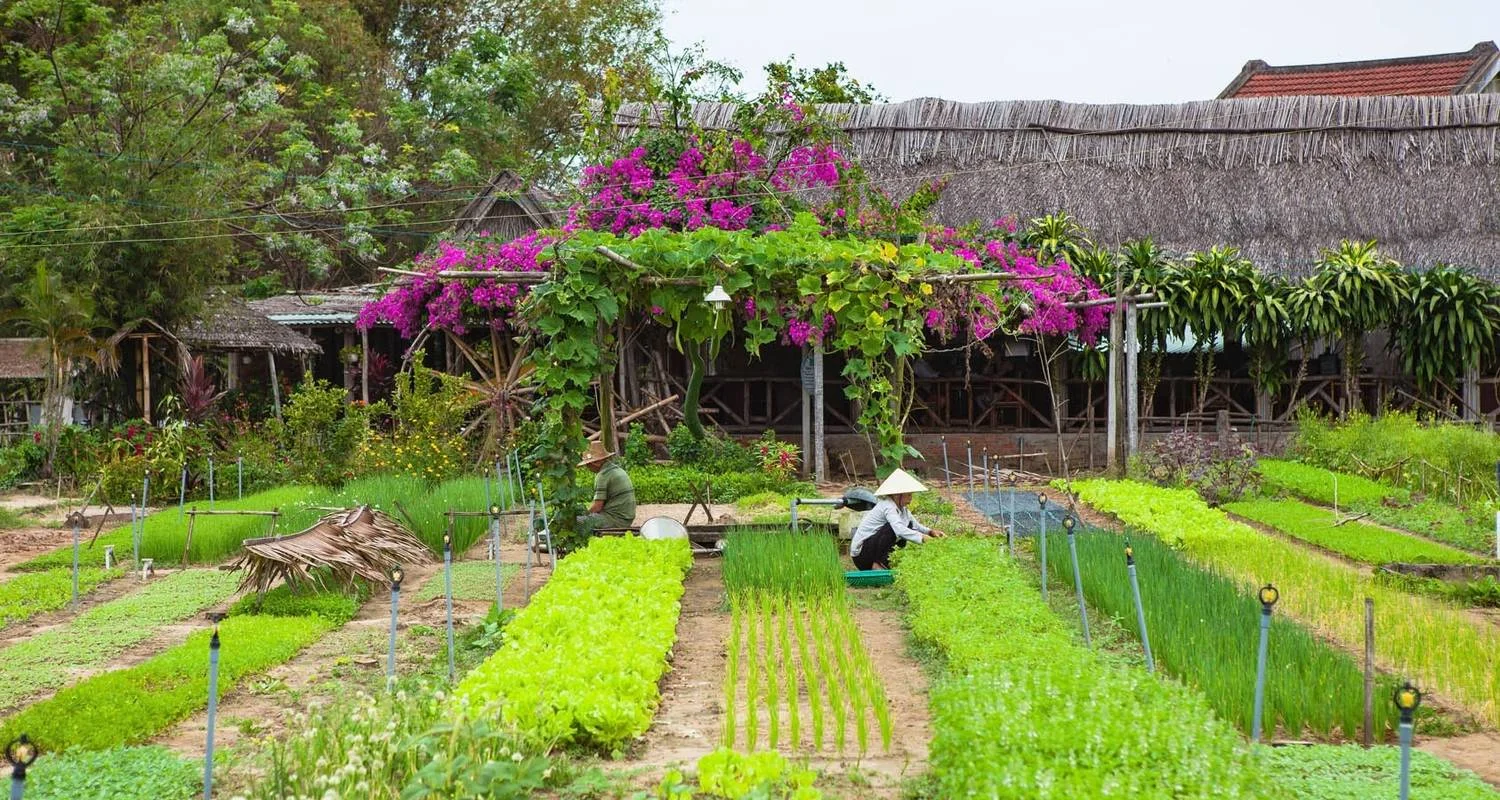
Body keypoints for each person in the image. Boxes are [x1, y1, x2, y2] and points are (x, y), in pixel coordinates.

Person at [850, 468, 944, 570]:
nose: (910, 499)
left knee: (908, 525)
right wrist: (922, 538)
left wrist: (930, 532)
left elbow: (915, 525)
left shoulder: (903, 510)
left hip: (871, 550)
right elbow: (899, 530)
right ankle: (878, 564)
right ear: (897, 495)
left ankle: (886, 562)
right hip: (862, 556)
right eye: (908, 495)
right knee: (894, 528)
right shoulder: (887, 505)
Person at [577, 440, 636, 532]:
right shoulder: (616, 469)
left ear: (596, 462)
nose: (587, 467)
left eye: (588, 464)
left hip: (615, 520)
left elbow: (597, 506)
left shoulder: (603, 475)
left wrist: (584, 514)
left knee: (577, 521)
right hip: (626, 518)